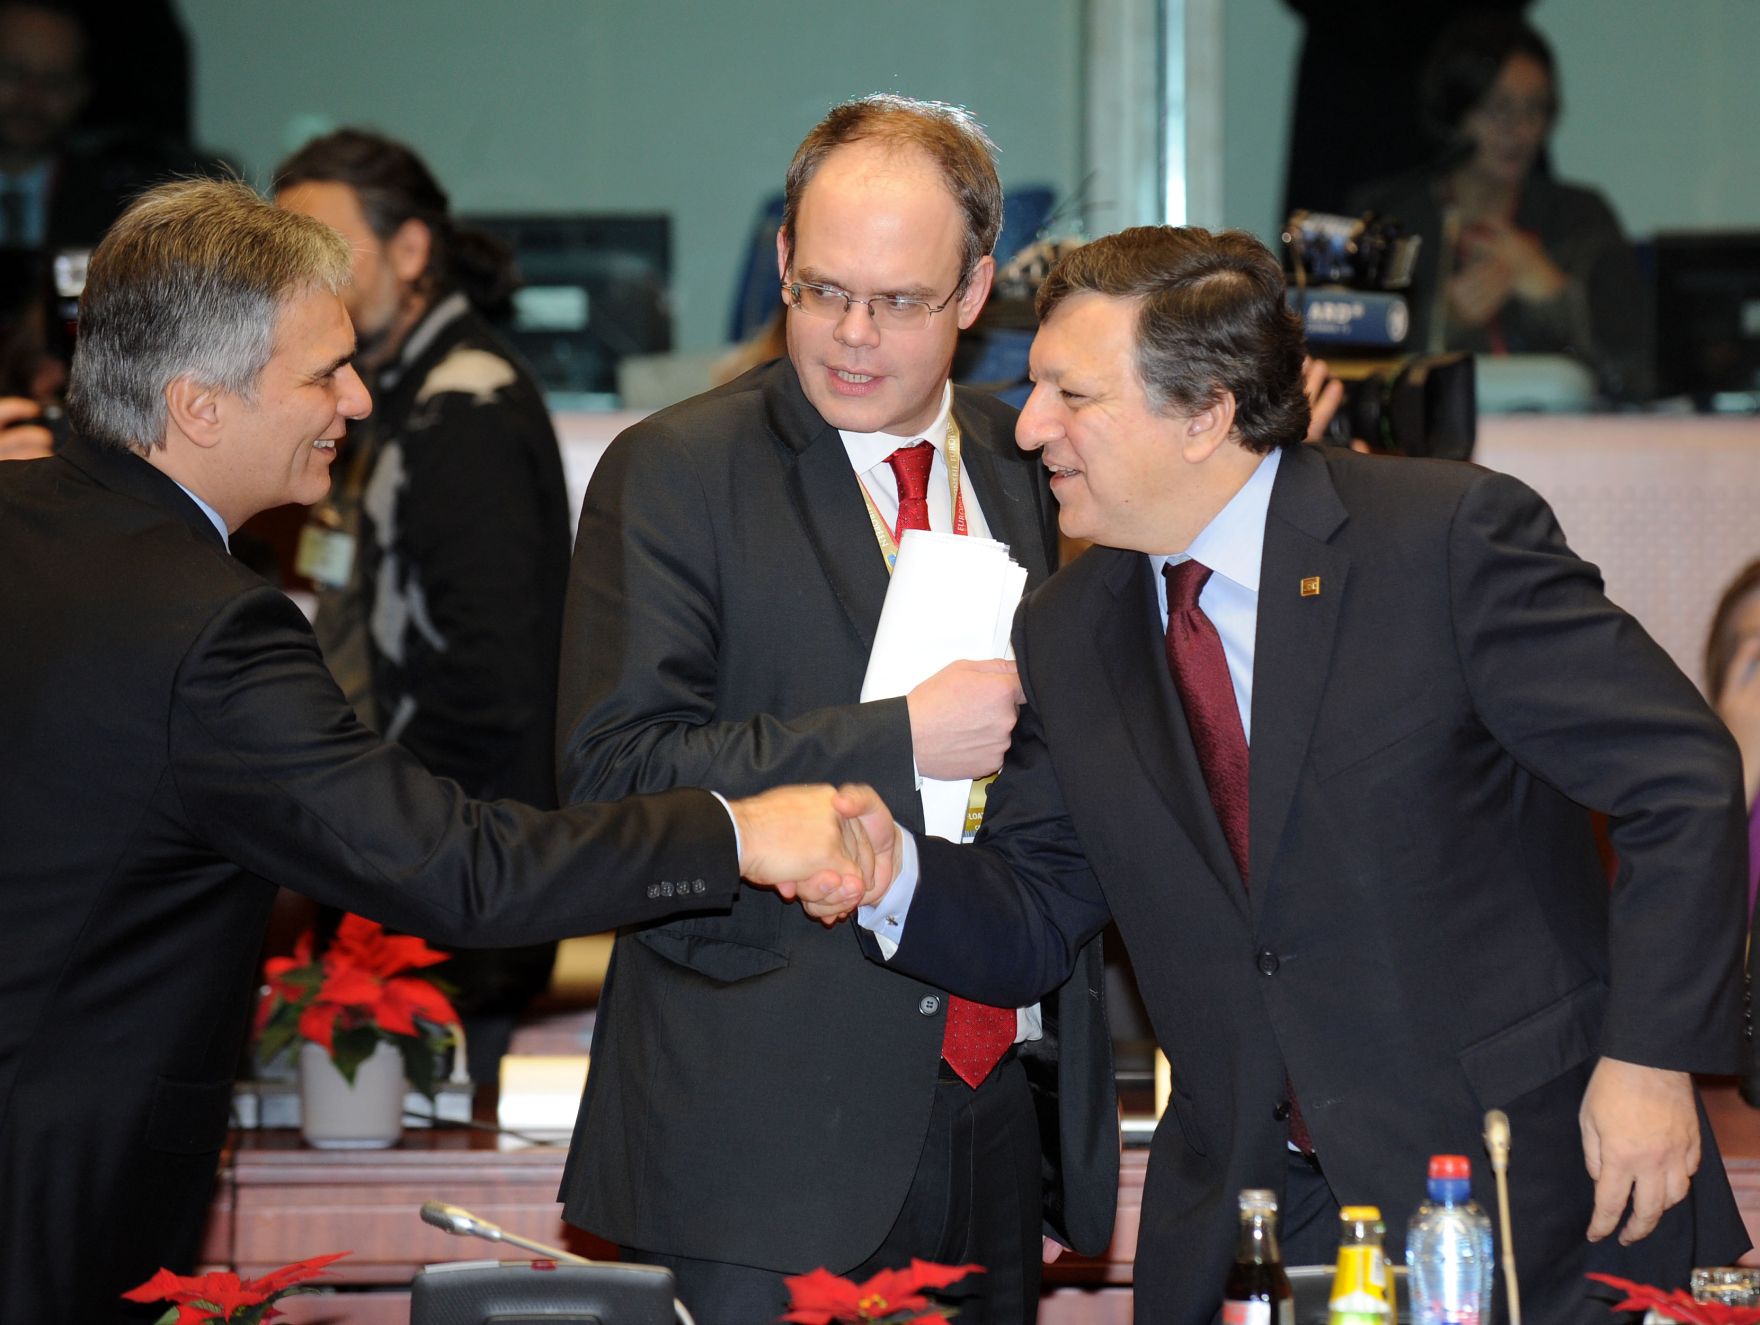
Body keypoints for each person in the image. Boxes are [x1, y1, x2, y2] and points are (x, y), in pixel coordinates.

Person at [0, 177, 884, 1325]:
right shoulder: (207, 628)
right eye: (324, 373)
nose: (358, 399)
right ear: (199, 405)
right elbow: (457, 867)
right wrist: (737, 830)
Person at [843, 224, 1749, 1324]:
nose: (1029, 427)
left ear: (1204, 414)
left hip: (1523, 1191)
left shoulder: (1441, 541)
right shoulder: (1067, 629)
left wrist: (1650, 1059)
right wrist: (888, 874)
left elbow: (1678, 778)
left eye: (1069, 394)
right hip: (1255, 1222)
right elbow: (1037, 905)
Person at [555, 94, 1117, 1325]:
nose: (852, 337)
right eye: (822, 291)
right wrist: (899, 736)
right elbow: (611, 775)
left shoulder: (1037, 465)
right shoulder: (677, 470)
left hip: (994, 1112)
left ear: (974, 291)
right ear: (780, 263)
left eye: (900, 301)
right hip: (757, 1142)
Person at [275, 129, 569, 1083]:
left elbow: (489, 682)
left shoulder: (464, 405)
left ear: (410, 252)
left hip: (450, 886)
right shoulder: (396, 394)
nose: (296, 280)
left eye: (323, 249)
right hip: (420, 871)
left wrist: (385, 848)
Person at [1349, 12, 1651, 403]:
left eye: (1535, 109)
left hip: (1562, 433)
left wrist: (1555, 297)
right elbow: (1346, 371)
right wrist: (1444, 322)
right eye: (1498, 108)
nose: (1519, 129)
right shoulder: (1388, 218)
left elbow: (1639, 370)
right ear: (1455, 113)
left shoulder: (1581, 217)